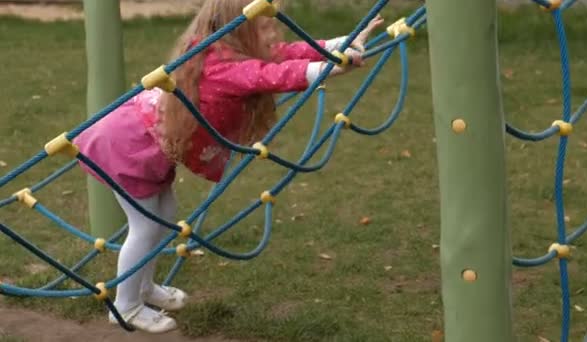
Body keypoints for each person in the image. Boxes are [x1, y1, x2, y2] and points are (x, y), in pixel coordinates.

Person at [74, 0, 383, 333]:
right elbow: (274, 74)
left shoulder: (227, 49)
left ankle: (143, 288)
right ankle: (126, 305)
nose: (273, 33)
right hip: (127, 145)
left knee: (162, 219)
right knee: (146, 227)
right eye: (264, 26)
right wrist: (334, 67)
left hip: (143, 144)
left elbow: (283, 53)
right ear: (240, 29)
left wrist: (338, 45)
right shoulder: (222, 65)